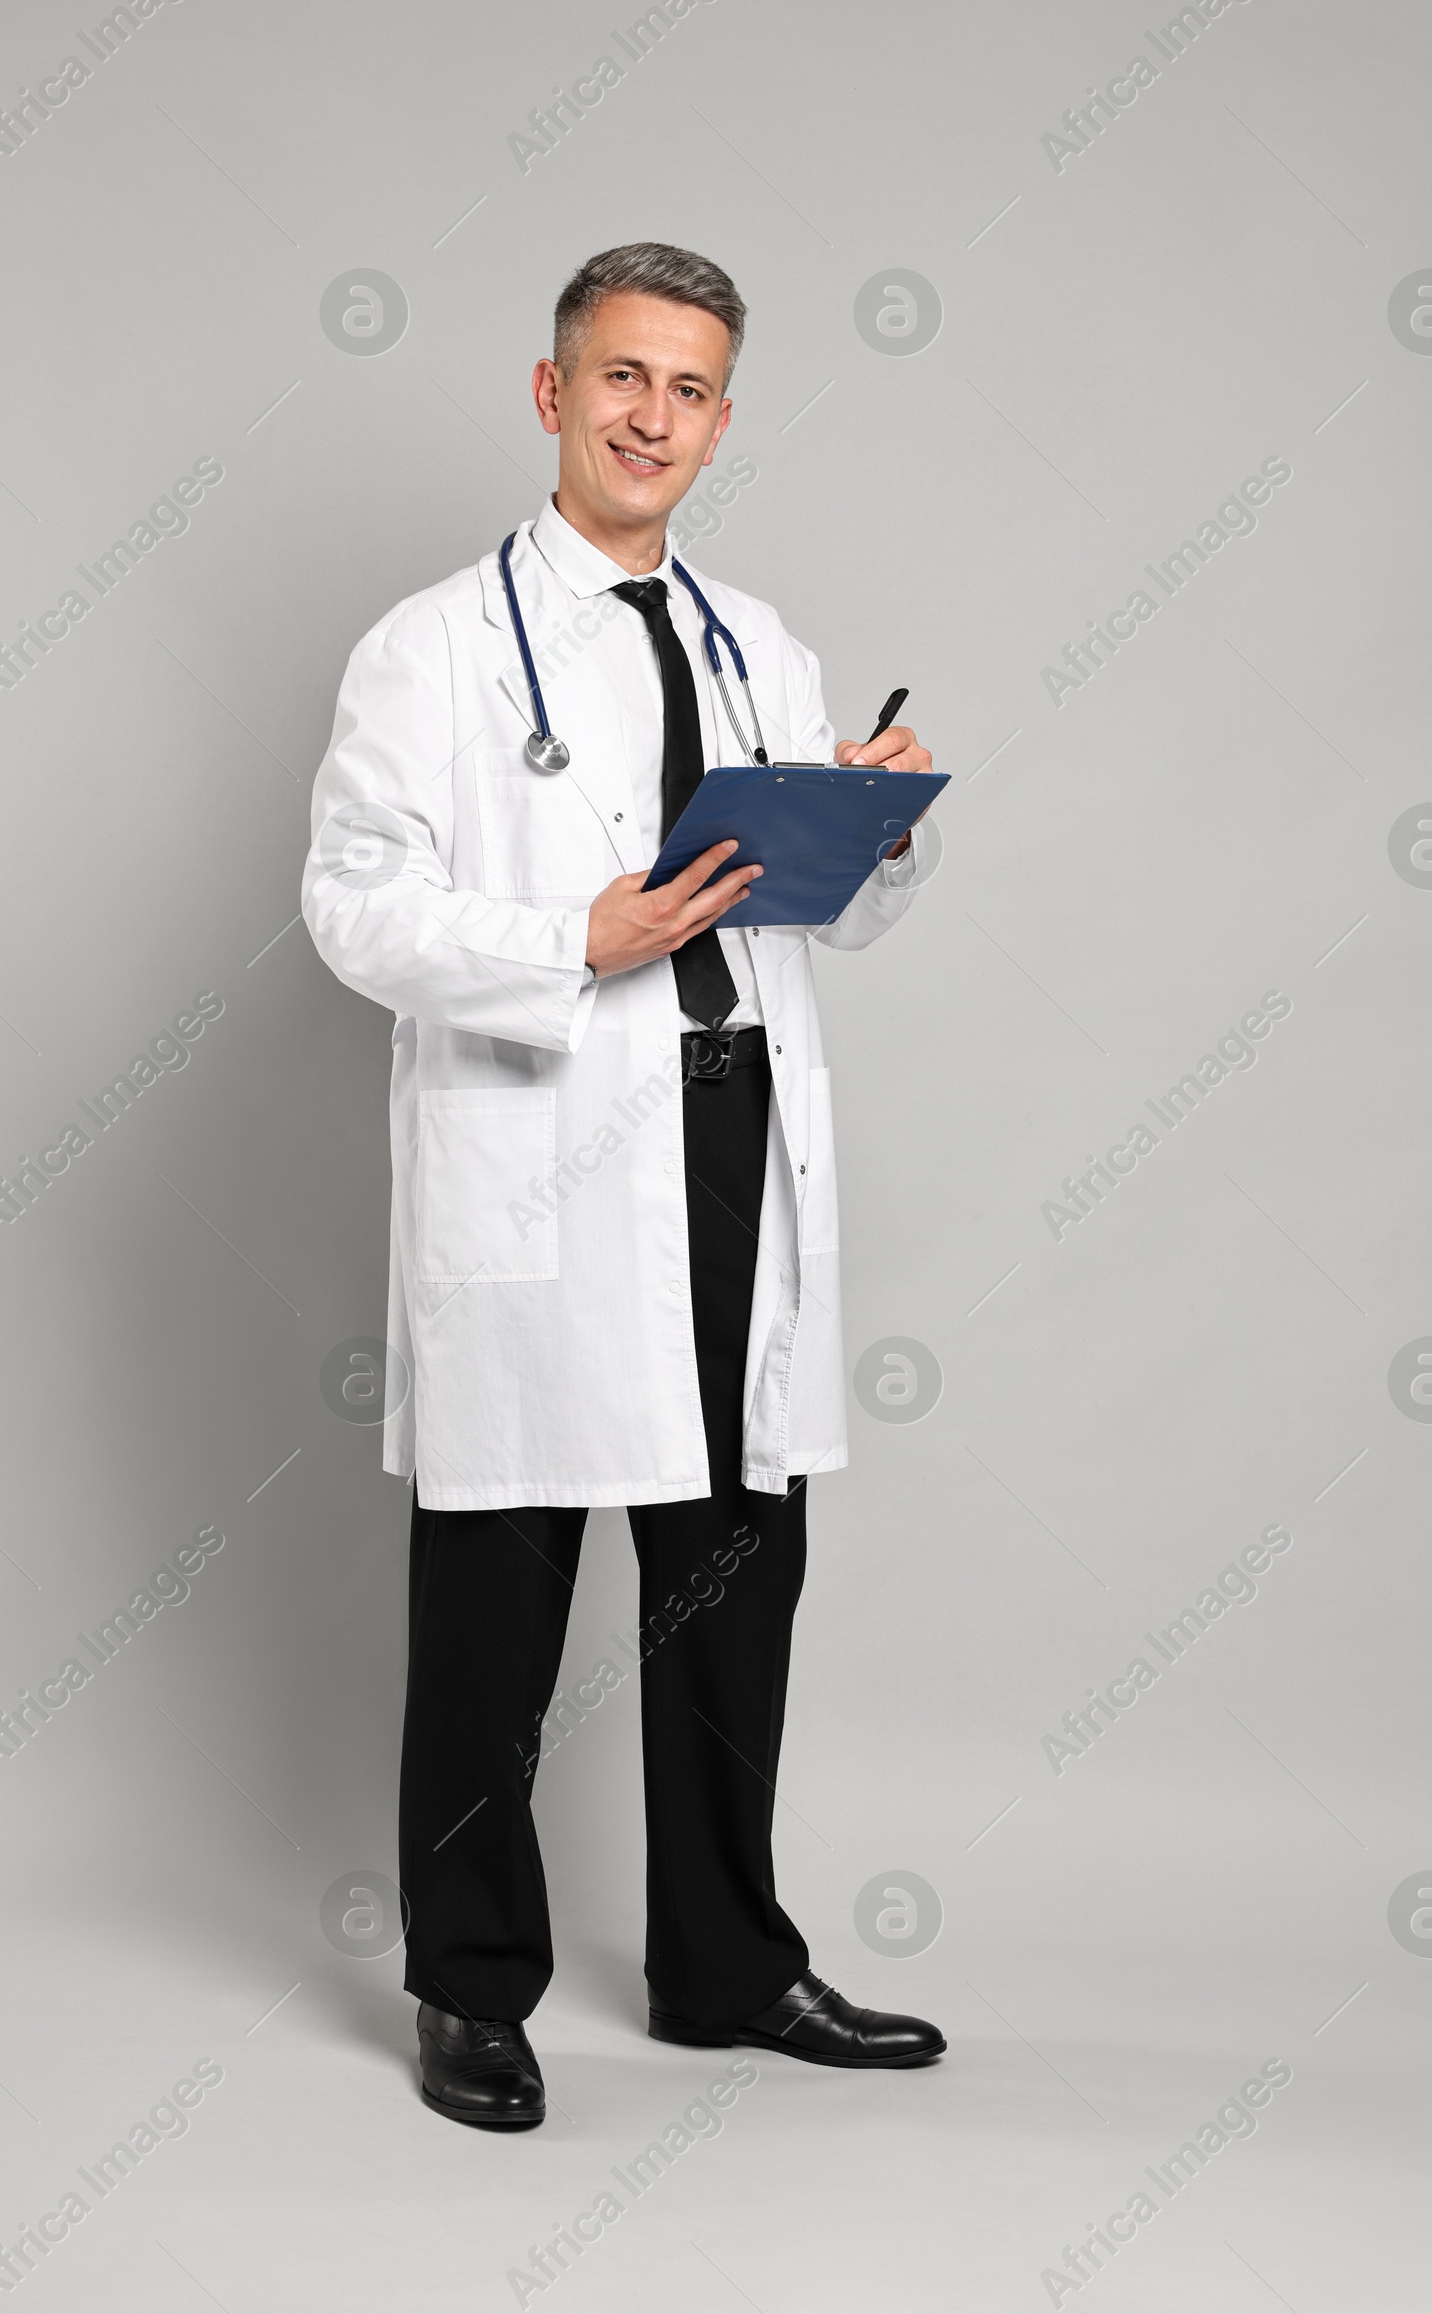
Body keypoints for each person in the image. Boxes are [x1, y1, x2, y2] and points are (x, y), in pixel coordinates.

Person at [302, 242, 945, 2128]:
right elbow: (349, 900)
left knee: (738, 1561)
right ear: (552, 392)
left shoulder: (762, 641)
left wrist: (870, 813)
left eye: (690, 392)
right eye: (622, 380)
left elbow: (805, 906)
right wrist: (559, 937)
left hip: (735, 1124)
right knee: (502, 1578)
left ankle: (727, 1965)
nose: (653, 418)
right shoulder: (432, 644)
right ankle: (473, 1983)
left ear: (723, 421)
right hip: (552, 1135)